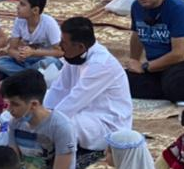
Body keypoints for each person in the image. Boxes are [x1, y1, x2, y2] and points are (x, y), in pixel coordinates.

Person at [47, 16, 132, 150]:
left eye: (64, 42)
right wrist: (41, 111)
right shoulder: (75, 56)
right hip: (83, 111)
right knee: (34, 102)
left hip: (106, 123)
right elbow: (59, 89)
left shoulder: (100, 65)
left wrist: (44, 122)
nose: (60, 45)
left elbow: (74, 100)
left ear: (80, 46)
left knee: (65, 125)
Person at [125, 0, 184, 104]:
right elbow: (136, 35)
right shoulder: (136, 7)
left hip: (181, 63)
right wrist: (134, 62)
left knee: (177, 83)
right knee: (120, 80)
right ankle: (167, 90)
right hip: (155, 65)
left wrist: (145, 67)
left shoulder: (177, 8)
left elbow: (179, 54)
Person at [0, 0, 63, 78]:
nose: (17, 7)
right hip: (26, 60)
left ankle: (23, 76)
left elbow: (60, 52)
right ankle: (30, 76)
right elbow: (11, 49)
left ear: (35, 10)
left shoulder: (49, 23)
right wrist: (17, 55)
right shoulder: (19, 21)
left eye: (22, 4)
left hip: (42, 59)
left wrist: (33, 52)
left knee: (52, 62)